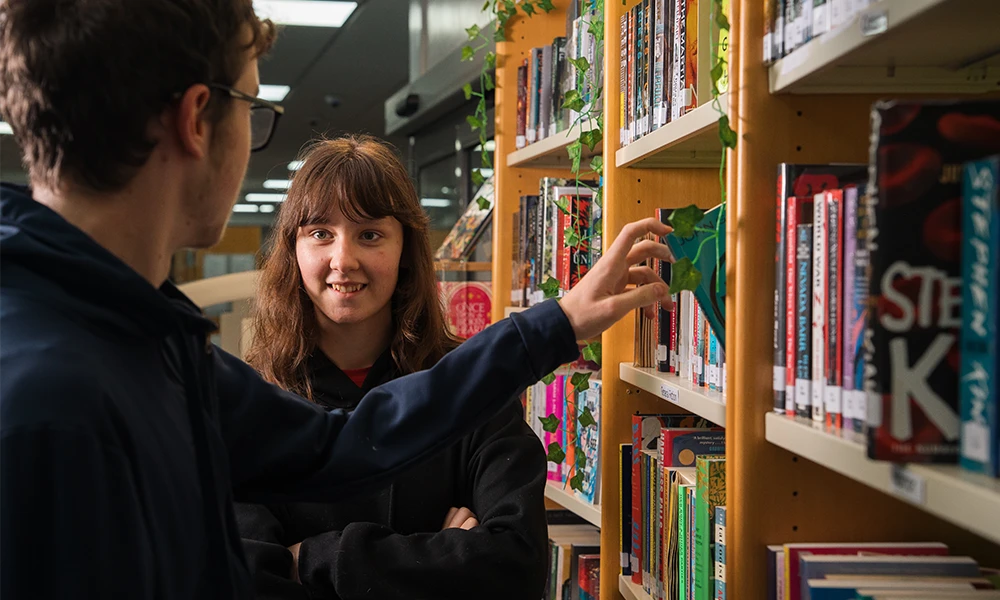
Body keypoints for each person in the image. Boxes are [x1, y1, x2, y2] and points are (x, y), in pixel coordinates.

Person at [0, 1, 672, 598]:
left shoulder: (141, 342)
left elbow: (344, 444)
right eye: (254, 108)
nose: (343, 259)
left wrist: (552, 324)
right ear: (198, 119)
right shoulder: (52, 401)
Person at [236, 135, 549, 599]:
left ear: (405, 250)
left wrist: (311, 561)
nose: (343, 260)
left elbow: (518, 566)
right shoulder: (249, 399)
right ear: (293, 248)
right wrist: (442, 556)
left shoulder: (473, 385)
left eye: (370, 234)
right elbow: (246, 579)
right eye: (320, 233)